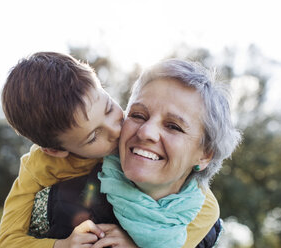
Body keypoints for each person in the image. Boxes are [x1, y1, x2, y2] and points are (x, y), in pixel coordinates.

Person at [28, 59, 241, 247]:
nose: (146, 132)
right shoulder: (57, 203)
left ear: (204, 156)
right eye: (138, 115)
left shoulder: (206, 229)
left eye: (173, 126)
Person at [0, 52, 128, 248]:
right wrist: (62, 245)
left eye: (109, 108)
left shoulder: (138, 126)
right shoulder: (39, 168)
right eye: (93, 137)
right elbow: (6, 242)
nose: (116, 131)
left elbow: (189, 187)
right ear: (55, 151)